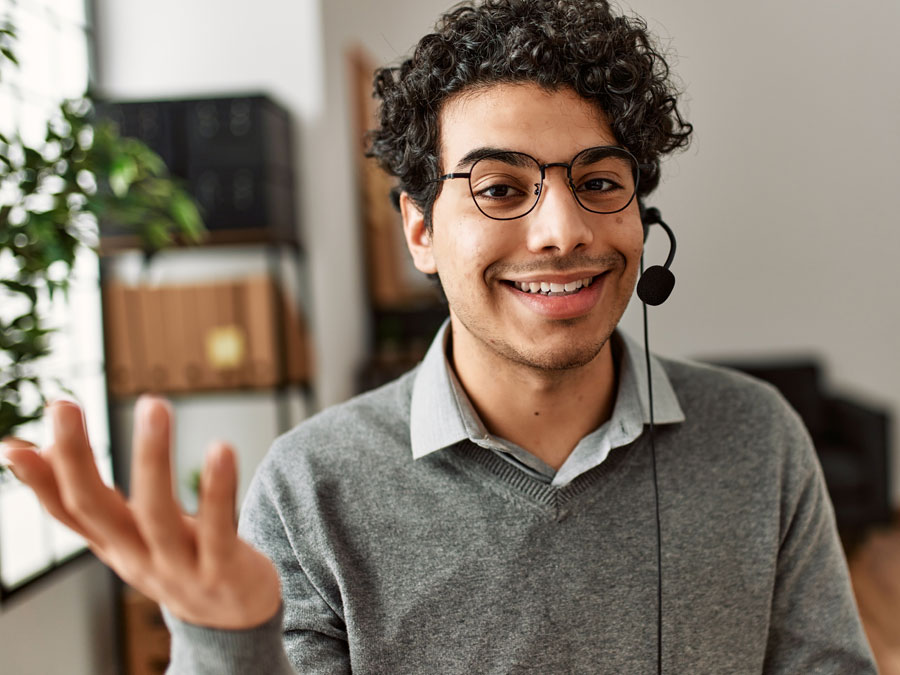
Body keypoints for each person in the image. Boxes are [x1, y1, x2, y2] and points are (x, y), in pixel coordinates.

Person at [0, 0, 877, 672]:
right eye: (500, 188)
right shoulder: (311, 491)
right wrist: (228, 641)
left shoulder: (758, 440)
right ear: (419, 228)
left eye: (599, 181)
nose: (561, 230)